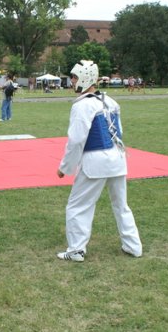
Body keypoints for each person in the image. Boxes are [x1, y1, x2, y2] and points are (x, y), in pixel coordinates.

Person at [56, 60, 142, 262]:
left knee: (78, 206)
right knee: (121, 205)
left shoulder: (83, 105)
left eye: (75, 77)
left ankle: (76, 249)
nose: (72, 81)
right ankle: (133, 246)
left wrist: (64, 167)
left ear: (85, 78)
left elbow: (76, 140)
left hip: (95, 161)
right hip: (117, 159)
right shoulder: (110, 101)